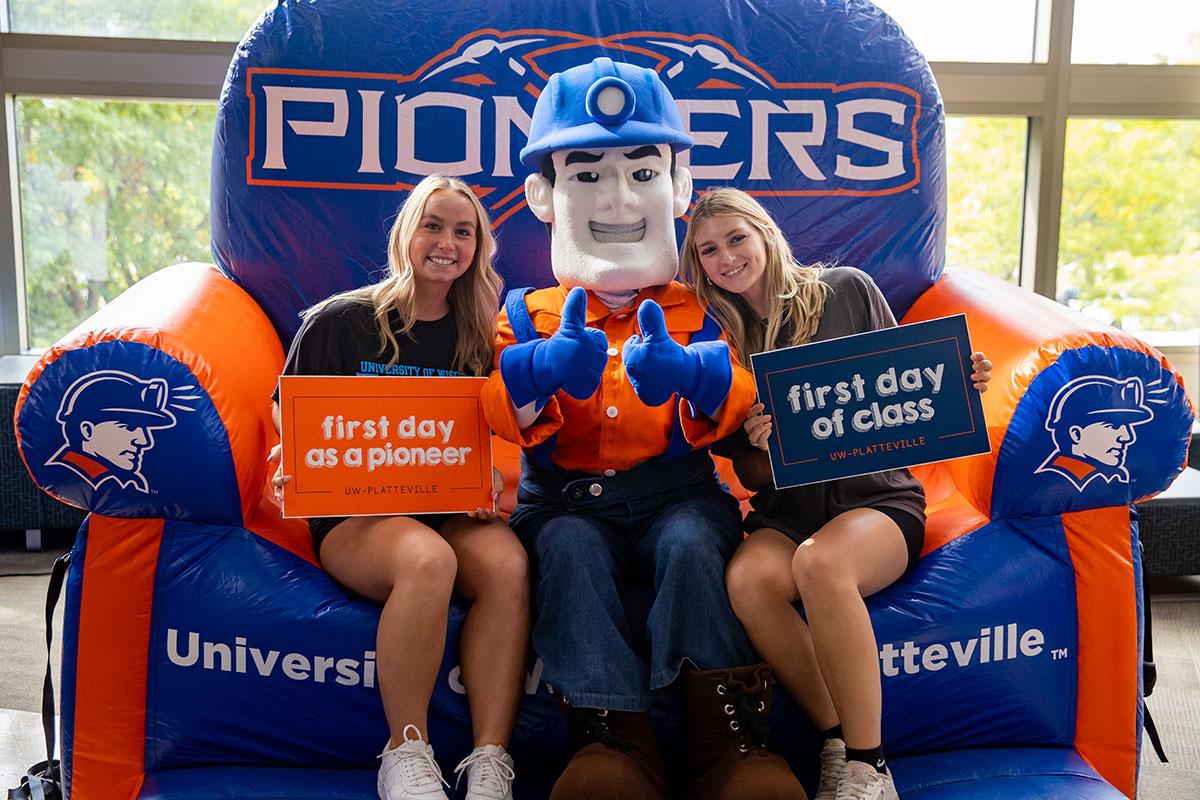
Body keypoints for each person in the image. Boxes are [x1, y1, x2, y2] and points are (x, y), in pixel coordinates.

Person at [481, 59, 806, 800]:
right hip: (564, 501)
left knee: (695, 541)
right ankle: (610, 735)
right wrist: (537, 374)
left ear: (679, 187)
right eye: (587, 174)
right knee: (565, 548)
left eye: (642, 170)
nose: (619, 197)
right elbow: (493, 406)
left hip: (676, 496)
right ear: (543, 194)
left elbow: (745, 399)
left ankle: (725, 735)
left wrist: (698, 378)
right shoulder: (526, 312)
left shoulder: (699, 307)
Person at [680, 188, 992, 800]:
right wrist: (761, 448)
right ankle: (837, 741)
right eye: (709, 251)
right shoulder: (717, 344)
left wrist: (959, 380)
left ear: (765, 233)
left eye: (736, 238)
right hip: (786, 511)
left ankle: (871, 767)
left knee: (819, 562)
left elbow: (904, 392)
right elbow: (744, 472)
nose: (726, 258)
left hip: (877, 502)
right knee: (749, 580)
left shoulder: (846, 288)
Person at [269, 174, 528, 800]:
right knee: (426, 558)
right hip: (359, 517)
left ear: (478, 248)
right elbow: (288, 412)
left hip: (443, 507)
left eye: (463, 232)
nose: (447, 243)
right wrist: (297, 461)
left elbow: (482, 433)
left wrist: (482, 475)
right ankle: (405, 752)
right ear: (406, 235)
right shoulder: (341, 321)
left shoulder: (480, 334)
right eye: (433, 226)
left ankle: (490, 759)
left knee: (509, 565)